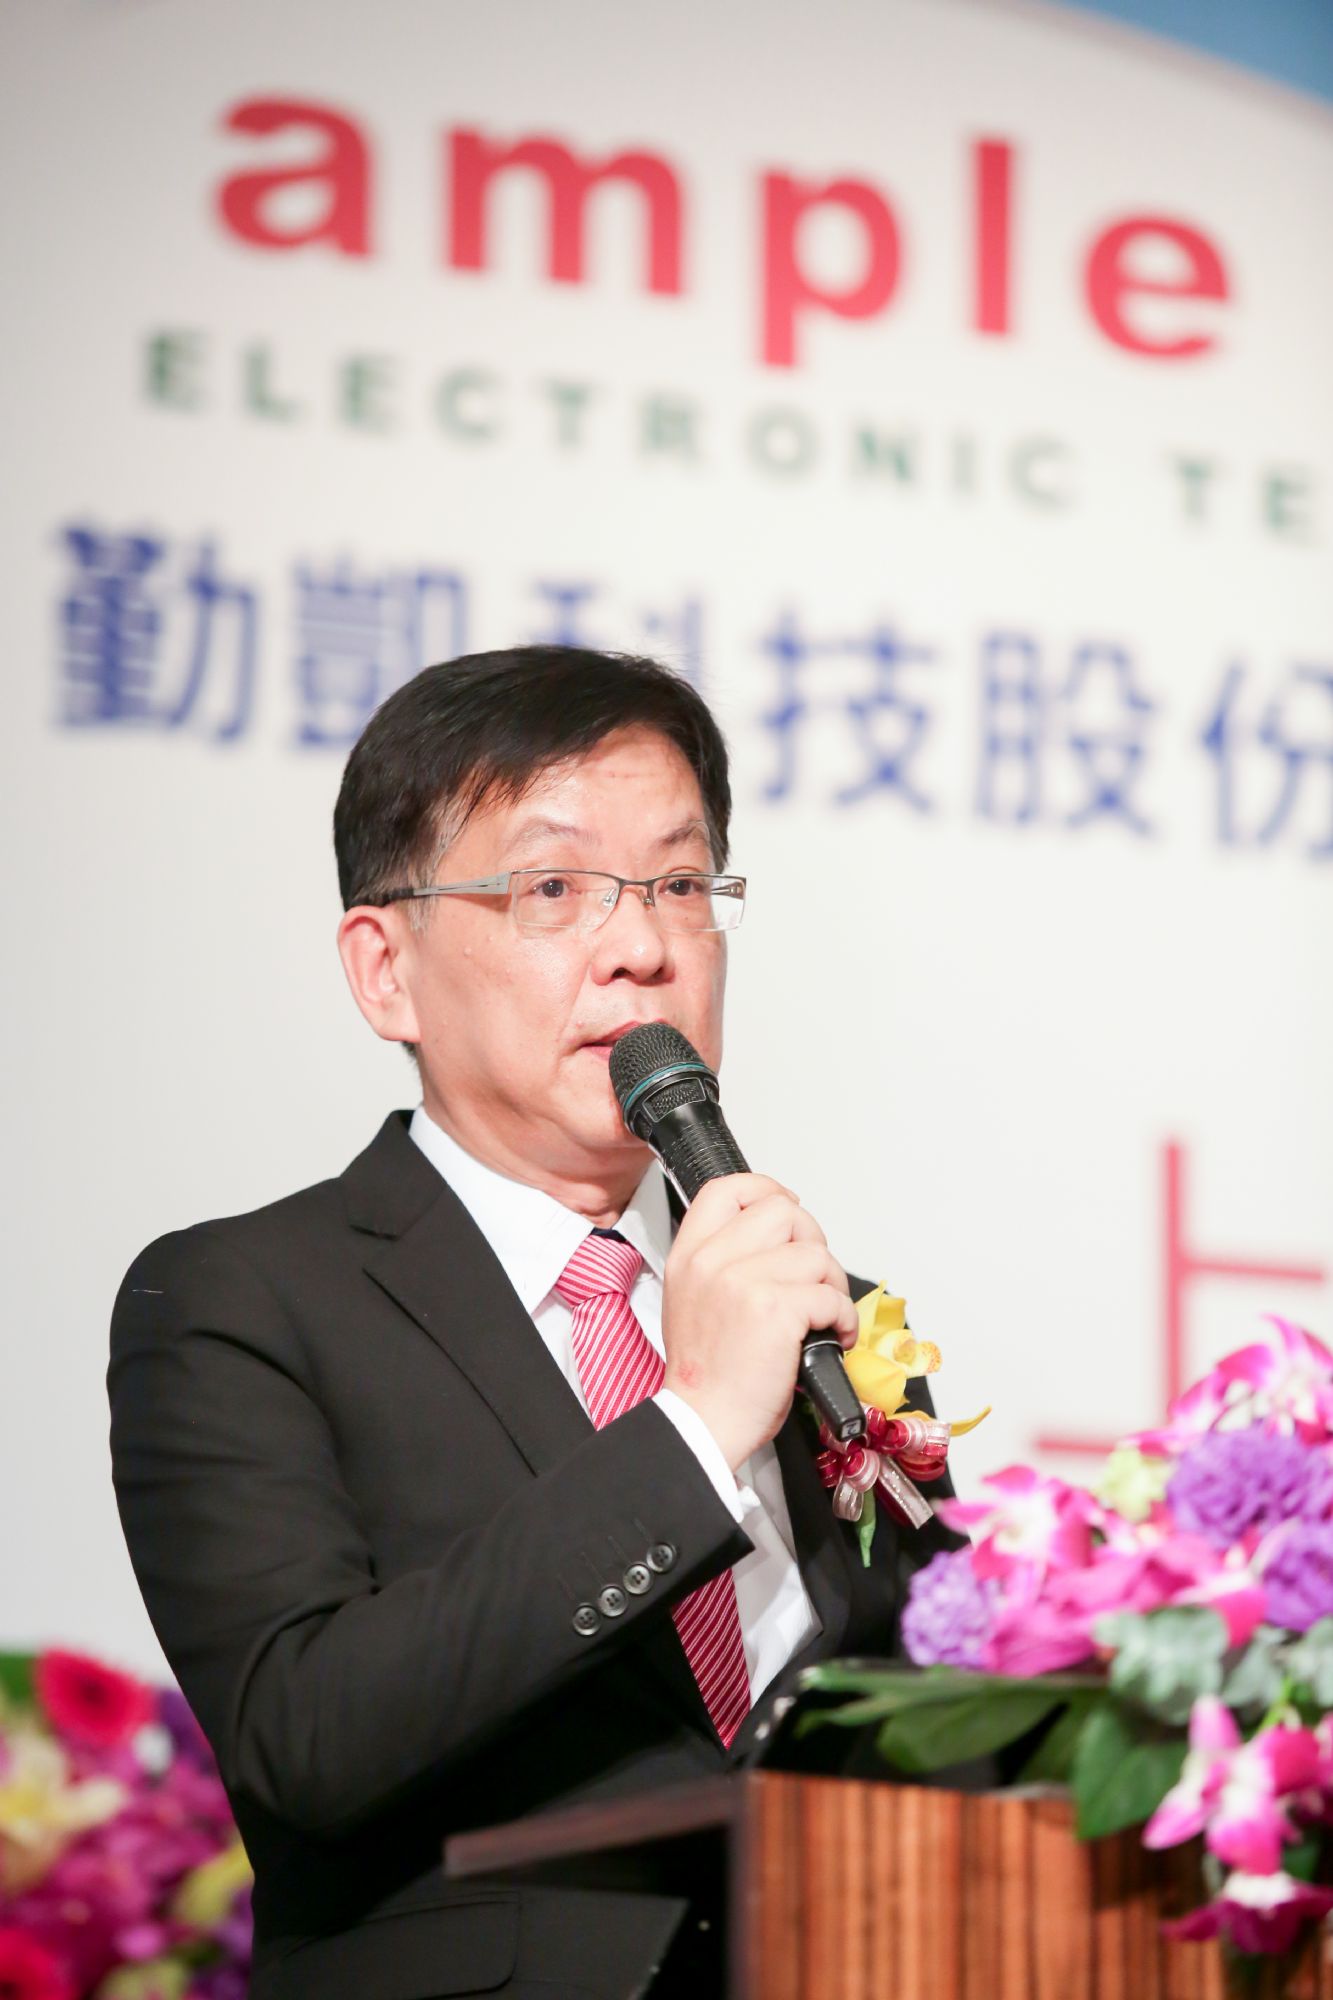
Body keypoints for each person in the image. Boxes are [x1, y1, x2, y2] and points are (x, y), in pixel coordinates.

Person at [109, 645, 957, 2000]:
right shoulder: (238, 1302)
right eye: (553, 889)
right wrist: (693, 1432)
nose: (643, 948)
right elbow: (305, 1737)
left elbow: (941, 1719)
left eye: (680, 885)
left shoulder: (824, 1315)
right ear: (384, 970)